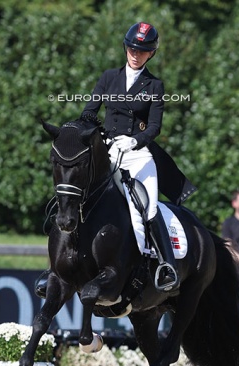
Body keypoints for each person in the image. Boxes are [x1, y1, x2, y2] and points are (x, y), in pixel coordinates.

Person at [81, 22, 180, 292]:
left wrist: (136, 140)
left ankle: (165, 266)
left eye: (142, 51)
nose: (135, 54)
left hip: (137, 155)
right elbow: (90, 111)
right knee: (77, 191)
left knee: (147, 207)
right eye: (132, 48)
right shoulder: (108, 77)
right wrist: (93, 131)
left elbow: (156, 126)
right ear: (126, 48)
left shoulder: (154, 85)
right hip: (109, 150)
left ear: (151, 54)